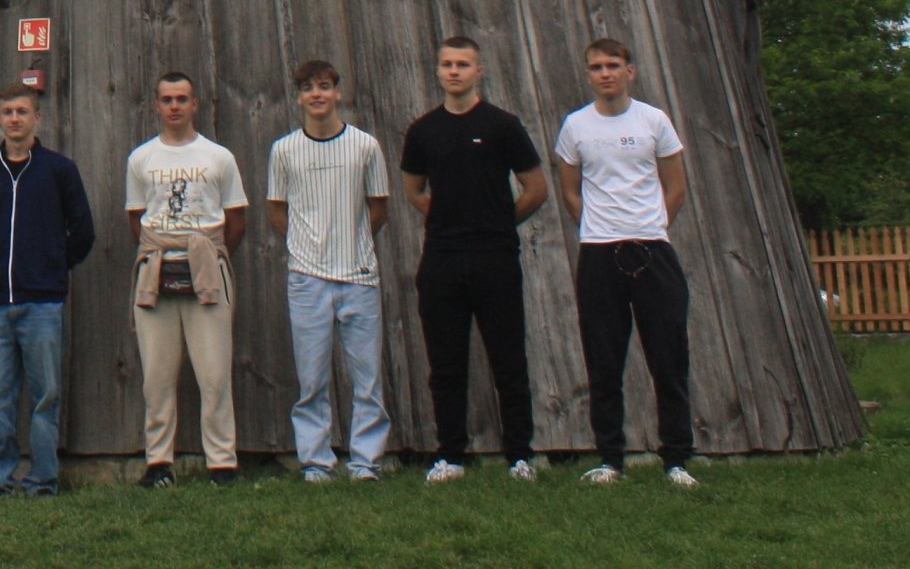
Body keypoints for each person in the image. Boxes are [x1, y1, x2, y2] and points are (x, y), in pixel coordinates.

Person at [399, 35, 548, 484]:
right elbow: (413, 190)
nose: (455, 71)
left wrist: (498, 220)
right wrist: (447, 216)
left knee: (508, 358)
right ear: (438, 71)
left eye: (463, 64)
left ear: (479, 71)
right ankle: (451, 456)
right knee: (446, 363)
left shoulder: (503, 125)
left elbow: (535, 188)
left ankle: (519, 455)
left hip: (495, 256)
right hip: (442, 258)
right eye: (447, 64)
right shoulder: (423, 130)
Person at [554, 37, 697, 488]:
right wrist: (599, 228)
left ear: (629, 71)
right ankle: (610, 459)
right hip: (599, 253)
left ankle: (676, 459)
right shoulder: (575, 126)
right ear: (589, 74)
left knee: (668, 357)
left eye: (613, 65)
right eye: (596, 67)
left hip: (652, 250)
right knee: (604, 359)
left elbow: (675, 185)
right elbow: (570, 190)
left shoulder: (654, 120)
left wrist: (651, 226)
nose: (605, 73)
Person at [267, 61, 393, 482]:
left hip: (359, 276)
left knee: (367, 378)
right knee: (312, 378)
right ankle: (317, 462)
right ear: (299, 97)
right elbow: (276, 208)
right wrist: (306, 245)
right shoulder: (284, 150)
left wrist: (351, 241)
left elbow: (378, 208)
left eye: (324, 87)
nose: (316, 95)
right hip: (307, 279)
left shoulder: (365, 146)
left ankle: (366, 461)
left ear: (338, 93)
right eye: (307, 88)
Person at [0, 83, 93, 497]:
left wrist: (54, 265)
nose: (15, 119)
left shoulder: (59, 171)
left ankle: (43, 480)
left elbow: (83, 231)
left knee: (45, 397)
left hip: (42, 303)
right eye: (7, 112)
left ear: (37, 118)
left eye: (22, 111)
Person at [125, 70, 249, 488]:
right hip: (157, 265)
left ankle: (222, 463)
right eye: (167, 99)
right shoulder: (142, 159)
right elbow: (135, 218)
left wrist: (211, 255)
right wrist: (161, 249)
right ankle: (159, 462)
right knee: (156, 375)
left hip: (207, 266)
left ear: (195, 104)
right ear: (157, 106)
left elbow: (236, 218)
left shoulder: (218, 157)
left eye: (182, 99)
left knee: (214, 373)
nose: (175, 106)